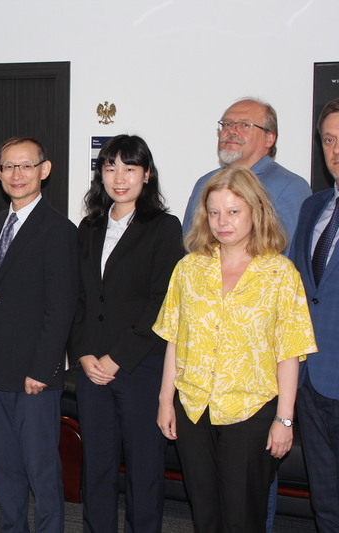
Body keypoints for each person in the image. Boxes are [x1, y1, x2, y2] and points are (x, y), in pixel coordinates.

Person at [155, 167, 317, 533]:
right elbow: (175, 338)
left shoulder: (280, 273)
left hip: (251, 411)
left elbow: (289, 352)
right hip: (193, 407)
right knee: (204, 513)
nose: (222, 221)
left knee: (242, 517)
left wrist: (284, 420)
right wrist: (166, 401)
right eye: (214, 212)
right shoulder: (188, 269)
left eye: (233, 211)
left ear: (255, 211)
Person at [68, 135, 183, 533]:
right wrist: (83, 353)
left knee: (143, 468)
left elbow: (161, 302)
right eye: (110, 167)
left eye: (130, 168)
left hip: (140, 367)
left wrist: (117, 358)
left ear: (146, 175)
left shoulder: (164, 228)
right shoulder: (88, 227)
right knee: (96, 467)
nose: (119, 178)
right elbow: (77, 297)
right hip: (91, 369)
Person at [0, 136, 77, 533]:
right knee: (2, 463)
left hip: (35, 375)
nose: (17, 174)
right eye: (9, 166)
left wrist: (43, 369)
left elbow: (61, 309)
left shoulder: (59, 230)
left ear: (44, 171)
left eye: (26, 165)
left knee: (40, 467)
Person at [289, 97, 339, 531]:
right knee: (325, 502)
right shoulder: (312, 207)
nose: (336, 150)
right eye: (329, 140)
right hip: (310, 381)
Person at [182, 98, 310, 249]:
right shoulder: (205, 183)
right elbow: (190, 246)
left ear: (269, 139)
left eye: (245, 125)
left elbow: (289, 251)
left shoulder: (290, 187)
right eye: (227, 124)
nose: (231, 131)